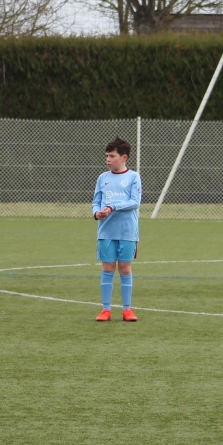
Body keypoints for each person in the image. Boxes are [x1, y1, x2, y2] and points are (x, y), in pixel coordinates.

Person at [92, 137, 142, 322]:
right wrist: (96, 213)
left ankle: (127, 309)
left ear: (124, 157)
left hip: (128, 232)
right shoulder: (102, 178)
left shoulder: (133, 177)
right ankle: (106, 309)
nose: (108, 159)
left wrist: (112, 207)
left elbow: (134, 202)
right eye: (107, 156)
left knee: (125, 268)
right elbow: (96, 202)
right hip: (106, 231)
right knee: (107, 268)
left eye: (112, 156)